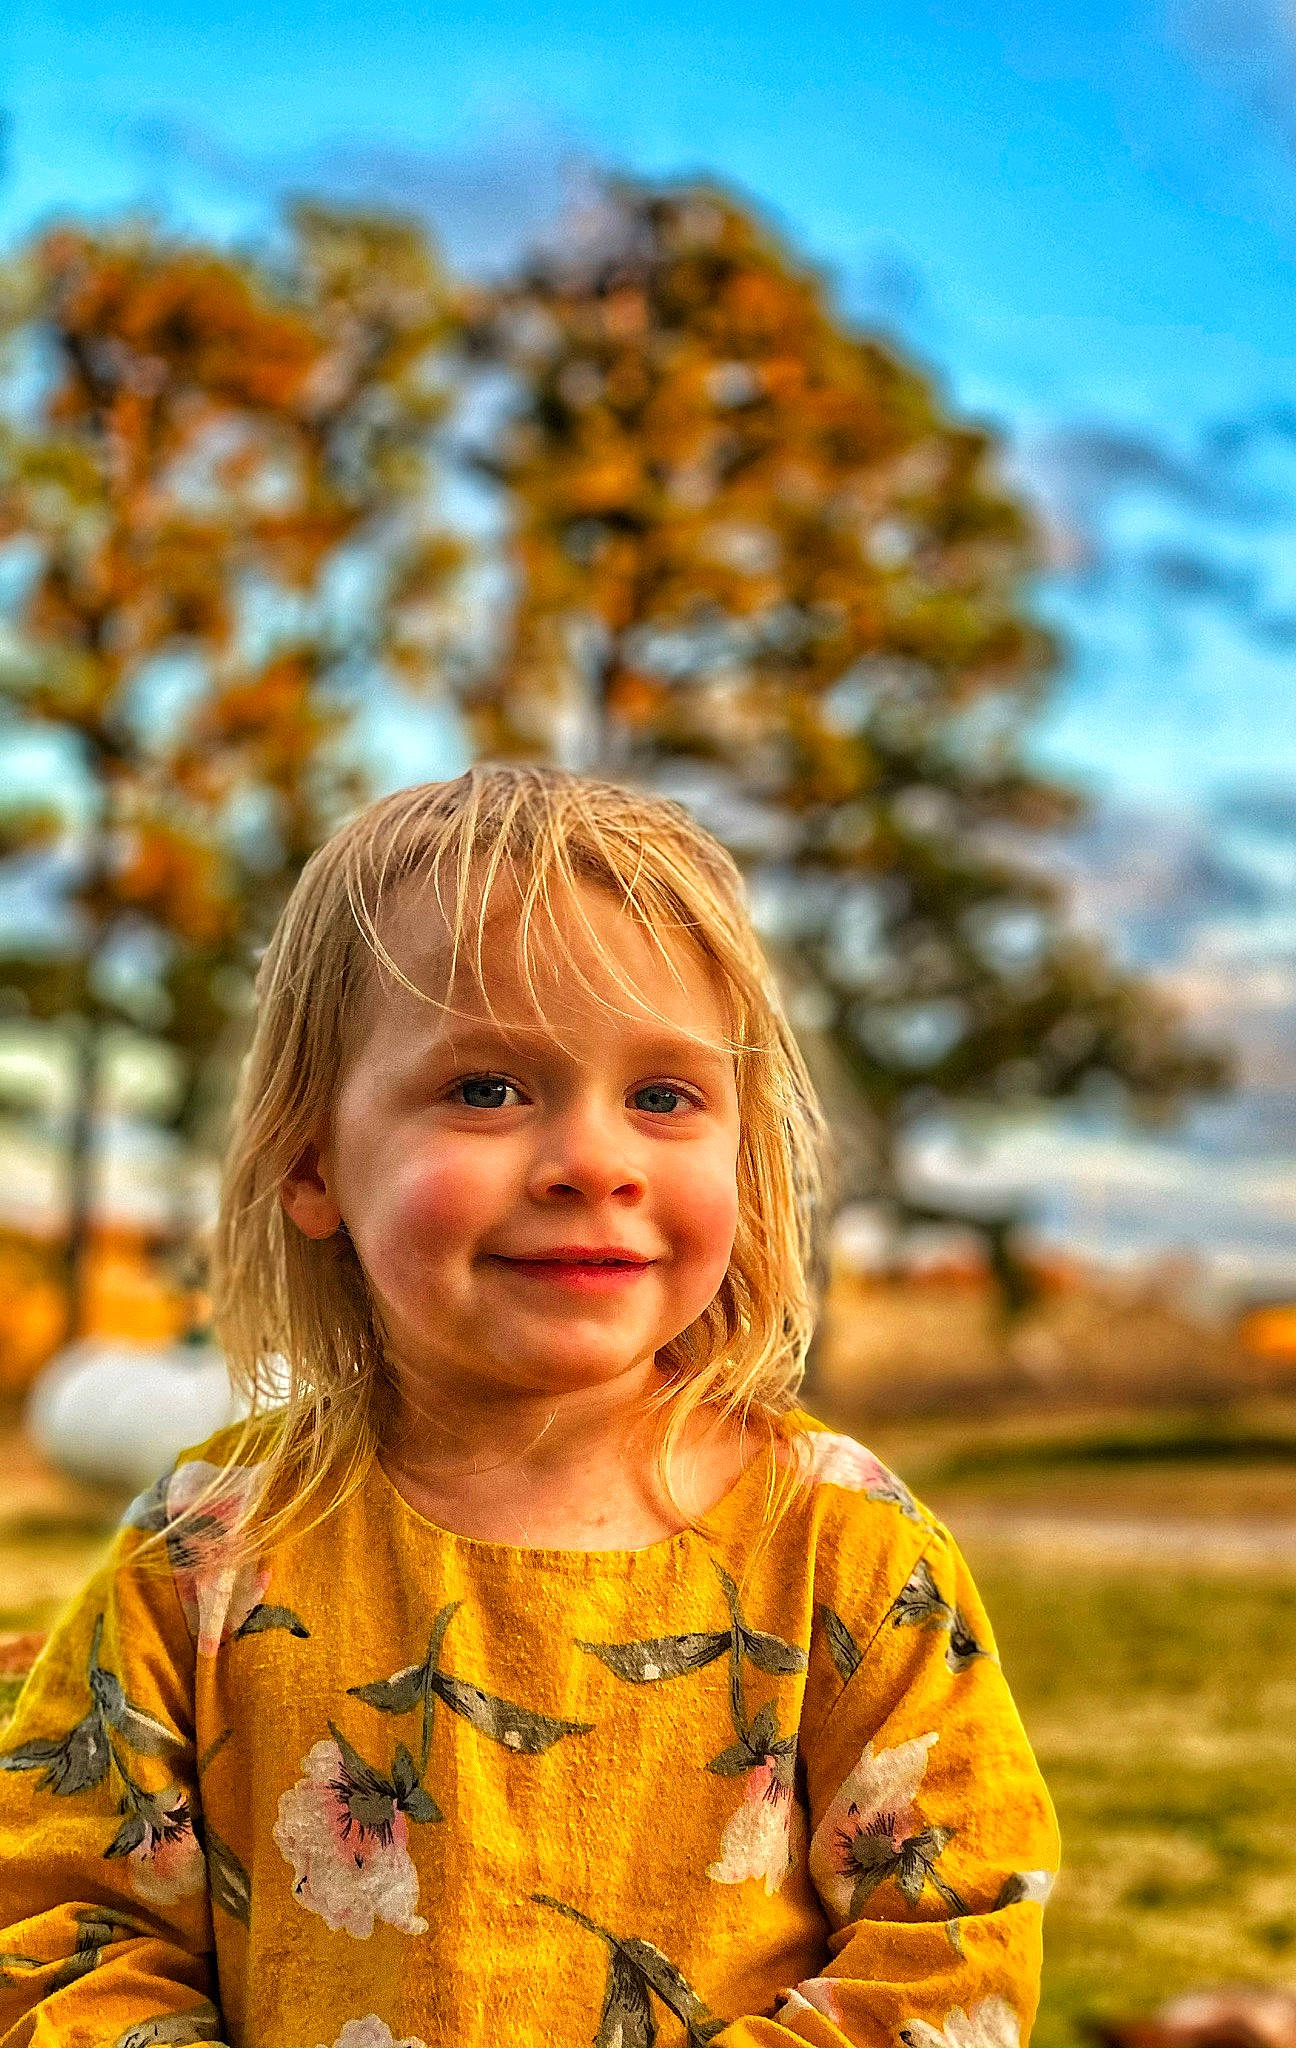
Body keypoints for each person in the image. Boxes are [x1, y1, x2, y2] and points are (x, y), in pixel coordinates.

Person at [0, 766, 1058, 2048]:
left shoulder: (847, 1550)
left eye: (663, 1096)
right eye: (489, 1087)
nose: (596, 1162)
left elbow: (951, 1946)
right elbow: (60, 1933)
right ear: (311, 1158)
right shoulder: (206, 1550)